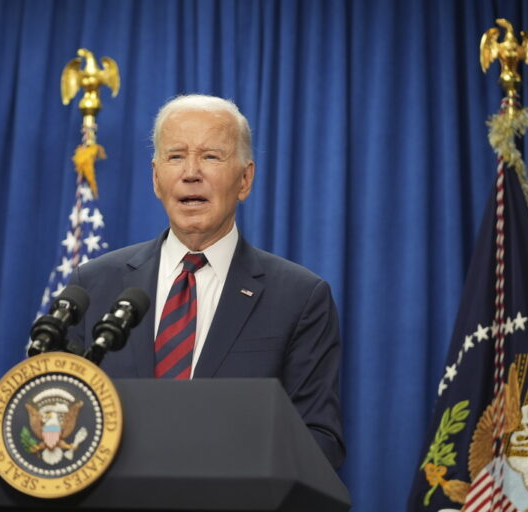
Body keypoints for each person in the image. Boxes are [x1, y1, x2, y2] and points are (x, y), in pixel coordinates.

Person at [67, 94, 345, 469]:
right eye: (175, 156)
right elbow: (62, 413)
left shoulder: (299, 298)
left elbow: (318, 442)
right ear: (155, 177)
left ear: (245, 179)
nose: (191, 172)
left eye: (211, 156)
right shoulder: (94, 284)